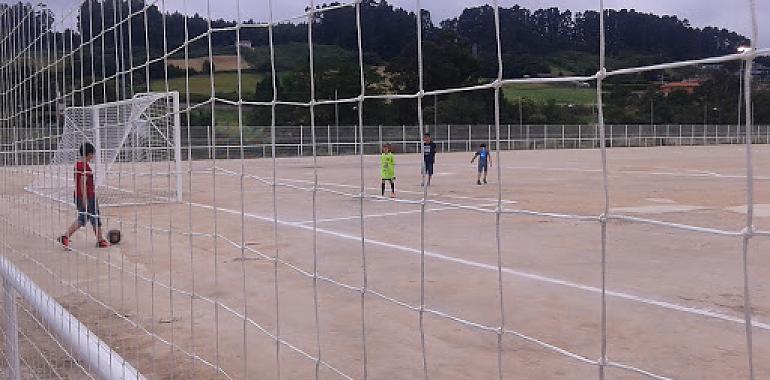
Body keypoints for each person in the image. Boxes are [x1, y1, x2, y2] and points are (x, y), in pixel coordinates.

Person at [58, 142, 110, 249]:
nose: (93, 156)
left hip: (78, 195)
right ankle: (100, 241)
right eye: (92, 154)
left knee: (83, 218)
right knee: (94, 217)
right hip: (87, 196)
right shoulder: (85, 167)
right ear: (89, 154)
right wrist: (85, 199)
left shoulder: (77, 164)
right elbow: (83, 183)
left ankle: (66, 237)